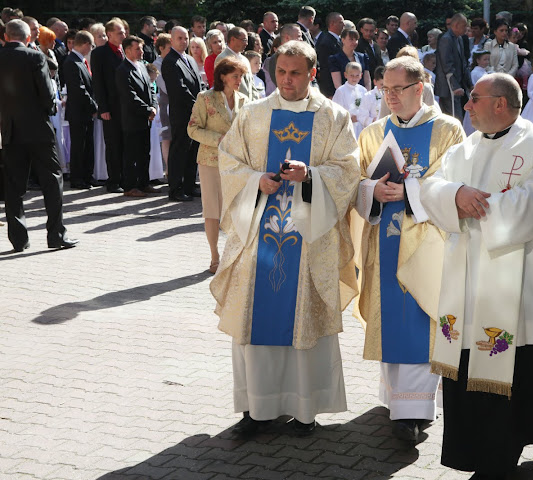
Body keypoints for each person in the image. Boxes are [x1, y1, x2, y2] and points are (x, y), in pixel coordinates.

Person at [420, 72, 533, 480]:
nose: (467, 105)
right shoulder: (462, 149)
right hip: (470, 287)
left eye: (474, 98)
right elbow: (430, 188)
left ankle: (532, 436)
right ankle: (489, 456)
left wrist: (482, 207)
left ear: (500, 104)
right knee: (476, 372)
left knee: (530, 372)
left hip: (526, 287)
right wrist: (455, 195)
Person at [210, 40, 360, 437]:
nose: (287, 80)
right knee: (254, 320)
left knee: (302, 321)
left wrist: (311, 176)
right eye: (281, 72)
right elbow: (229, 160)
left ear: (313, 74)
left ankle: (303, 409)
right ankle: (257, 410)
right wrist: (255, 180)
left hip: (308, 240)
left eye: (295, 73)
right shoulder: (254, 114)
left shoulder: (333, 116)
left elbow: (348, 169)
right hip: (258, 236)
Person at [355, 56, 465, 443]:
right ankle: (395, 400)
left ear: (419, 88)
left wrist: (408, 192)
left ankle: (415, 412)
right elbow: (355, 182)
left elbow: (454, 183)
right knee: (390, 320)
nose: (389, 96)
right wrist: (373, 190)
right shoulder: (373, 132)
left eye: (397, 89)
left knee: (422, 318)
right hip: (384, 242)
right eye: (384, 89)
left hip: (428, 244)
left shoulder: (447, 130)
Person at [0, 19, 77, 252]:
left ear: (6, 37)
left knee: (13, 186)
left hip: (10, 129)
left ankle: (18, 239)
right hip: (37, 129)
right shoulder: (34, 57)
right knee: (52, 181)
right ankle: (56, 234)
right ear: (27, 38)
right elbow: (46, 93)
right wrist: (50, 108)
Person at [188, 57, 248, 274]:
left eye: (241, 76)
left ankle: (234, 256)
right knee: (212, 210)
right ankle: (215, 256)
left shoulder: (244, 100)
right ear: (223, 76)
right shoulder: (205, 98)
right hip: (210, 162)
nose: (239, 80)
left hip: (237, 163)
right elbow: (192, 129)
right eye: (235, 76)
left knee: (237, 209)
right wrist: (219, 139)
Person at [115, 35, 158, 198]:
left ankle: (143, 183)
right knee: (131, 154)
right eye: (137, 49)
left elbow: (151, 88)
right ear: (127, 51)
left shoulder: (141, 66)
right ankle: (130, 186)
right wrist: (147, 110)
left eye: (141, 48)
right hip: (132, 119)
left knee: (144, 152)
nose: (141, 51)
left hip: (145, 118)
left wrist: (153, 107)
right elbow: (129, 96)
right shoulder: (122, 70)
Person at [162, 26, 201, 202]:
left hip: (195, 113)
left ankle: (189, 185)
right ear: (171, 40)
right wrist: (197, 105)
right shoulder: (170, 61)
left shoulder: (190, 59)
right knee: (179, 150)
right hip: (181, 113)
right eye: (180, 38)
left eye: (186, 38)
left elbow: (197, 84)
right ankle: (175, 189)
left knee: (192, 150)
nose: (184, 41)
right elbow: (179, 89)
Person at [91, 18, 127, 193]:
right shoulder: (100, 53)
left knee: (126, 144)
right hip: (111, 107)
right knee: (113, 144)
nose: (123, 35)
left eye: (124, 32)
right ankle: (114, 181)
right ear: (109, 34)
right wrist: (103, 108)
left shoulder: (125, 50)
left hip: (126, 107)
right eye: (120, 33)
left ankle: (126, 178)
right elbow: (98, 83)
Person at [64, 30, 97, 189]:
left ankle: (87, 176)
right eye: (91, 45)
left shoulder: (80, 61)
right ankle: (77, 178)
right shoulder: (72, 62)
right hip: (78, 112)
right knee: (79, 146)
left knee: (87, 145)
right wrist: (93, 106)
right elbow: (78, 89)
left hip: (85, 112)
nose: (91, 49)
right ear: (85, 44)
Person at [435, 14, 472, 122]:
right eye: (464, 26)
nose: (466, 28)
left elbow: (463, 63)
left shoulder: (459, 38)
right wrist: (454, 87)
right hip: (448, 88)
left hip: (458, 85)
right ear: (456, 25)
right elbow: (447, 65)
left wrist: (469, 84)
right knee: (454, 118)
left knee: (458, 117)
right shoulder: (446, 39)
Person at [215, 27, 259, 102]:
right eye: (244, 40)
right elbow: (220, 84)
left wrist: (255, 101)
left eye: (247, 41)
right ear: (232, 39)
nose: (246, 44)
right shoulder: (222, 58)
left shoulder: (245, 59)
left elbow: (251, 84)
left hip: (248, 104)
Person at [262, 23, 303, 95]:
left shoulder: (303, 57)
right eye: (299, 36)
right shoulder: (275, 59)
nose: (301, 40)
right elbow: (280, 84)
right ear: (287, 38)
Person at [153, 33, 172, 176]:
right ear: (161, 48)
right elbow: (165, 87)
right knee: (167, 137)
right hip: (166, 104)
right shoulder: (157, 64)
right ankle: (169, 169)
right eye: (170, 48)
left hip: (177, 104)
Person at [332, 62, 367, 137]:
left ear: (361, 75)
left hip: (361, 126)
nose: (354, 78)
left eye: (357, 75)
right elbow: (336, 110)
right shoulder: (341, 91)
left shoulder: (363, 90)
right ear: (345, 75)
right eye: (351, 75)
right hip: (347, 127)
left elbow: (366, 107)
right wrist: (349, 118)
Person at [315, 12, 344, 98]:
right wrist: (329, 93)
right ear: (332, 24)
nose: (343, 25)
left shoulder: (338, 40)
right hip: (331, 89)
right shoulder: (325, 42)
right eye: (340, 22)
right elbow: (325, 68)